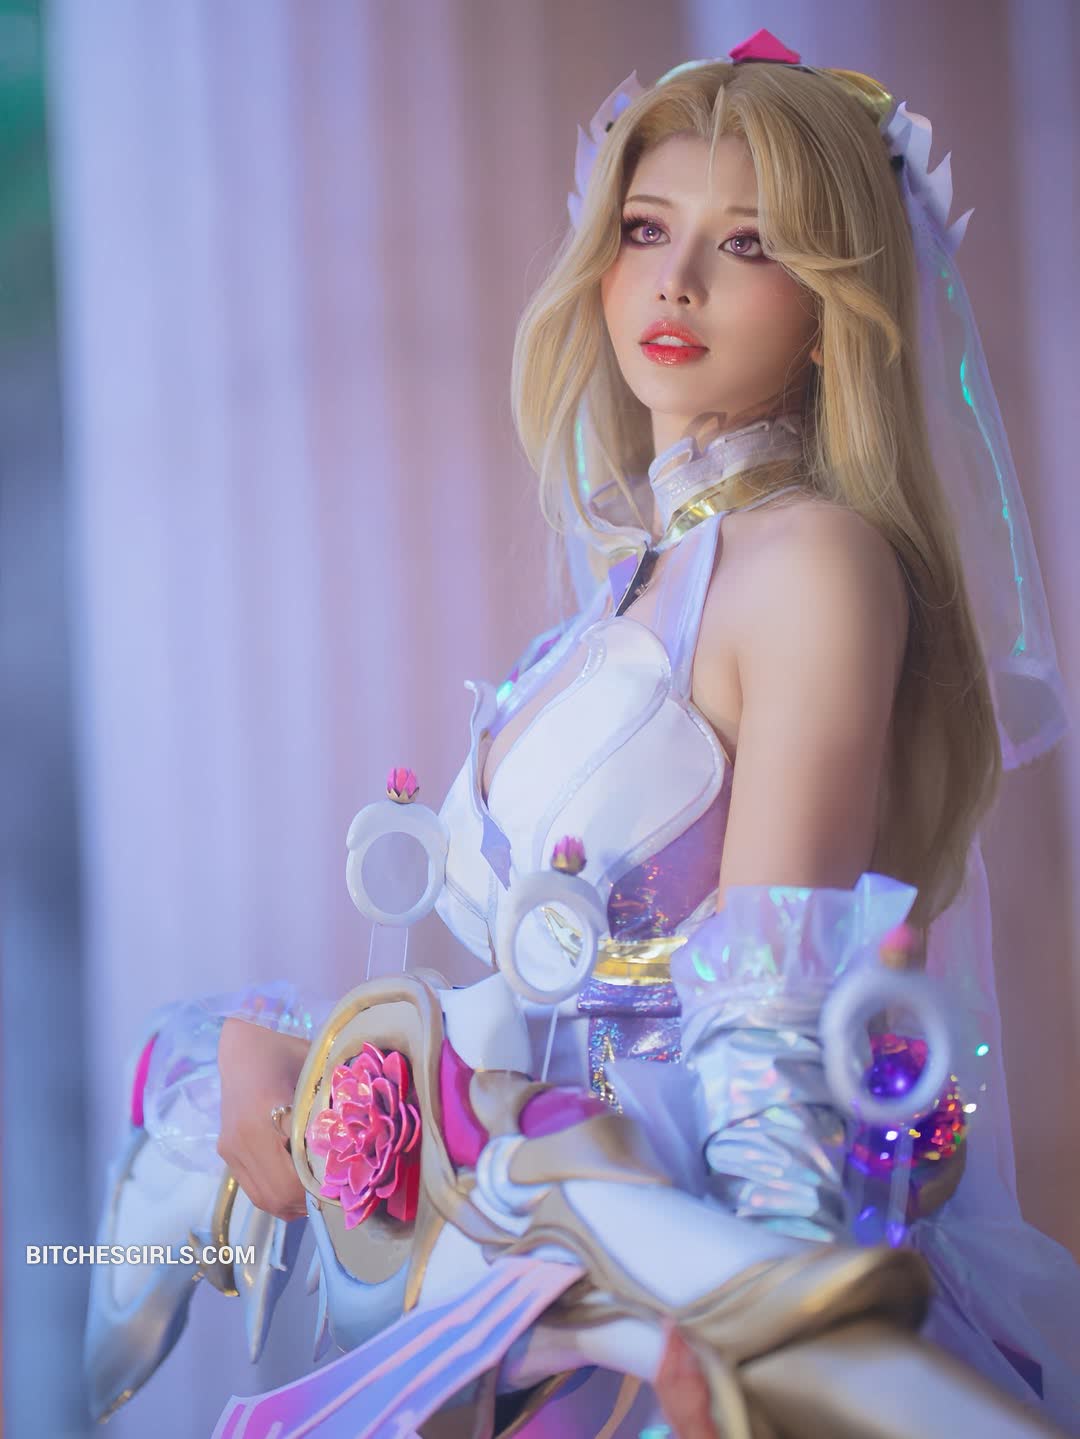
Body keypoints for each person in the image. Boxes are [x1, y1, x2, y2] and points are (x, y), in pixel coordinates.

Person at [85, 31, 1079, 1439]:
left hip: (670, 1263)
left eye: (748, 243)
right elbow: (525, 983)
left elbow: (768, 1008)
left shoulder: (815, 561)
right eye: (647, 230)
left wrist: (759, 1336)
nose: (677, 281)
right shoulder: (633, 579)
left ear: (831, 305)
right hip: (531, 1258)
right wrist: (307, 1060)